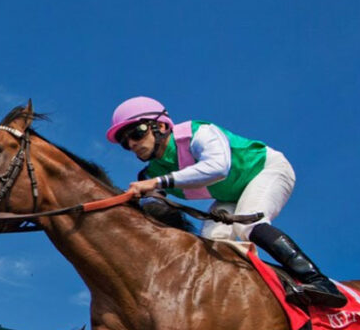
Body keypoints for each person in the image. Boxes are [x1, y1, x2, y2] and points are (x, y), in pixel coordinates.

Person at [107, 96, 347, 308]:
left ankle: (319, 282)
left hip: (266, 170)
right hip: (229, 197)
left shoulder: (198, 133)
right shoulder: (150, 173)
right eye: (125, 141)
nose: (132, 144)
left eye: (137, 132)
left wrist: (159, 182)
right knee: (211, 250)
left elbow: (218, 168)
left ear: (159, 126)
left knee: (247, 225)